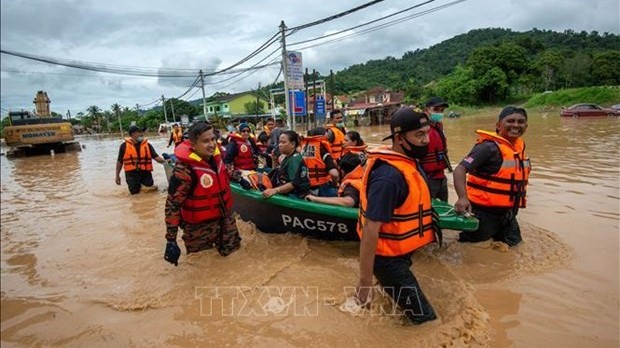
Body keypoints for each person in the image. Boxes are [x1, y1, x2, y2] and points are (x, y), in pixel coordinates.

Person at [356, 107, 439, 325]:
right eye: (419, 135)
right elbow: (370, 229)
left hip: (399, 254)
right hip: (387, 260)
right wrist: (365, 282)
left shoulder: (408, 163)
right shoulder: (389, 177)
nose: (426, 140)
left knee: (403, 309)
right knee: (427, 323)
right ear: (400, 138)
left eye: (427, 133)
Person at [164, 122, 242, 266]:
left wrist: (240, 178)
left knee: (235, 260)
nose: (212, 144)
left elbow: (223, 172)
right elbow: (172, 206)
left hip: (225, 221)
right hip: (198, 229)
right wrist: (171, 240)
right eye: (206, 141)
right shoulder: (184, 171)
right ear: (192, 145)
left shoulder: (216, 158)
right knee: (202, 266)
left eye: (213, 139)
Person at [453, 106, 531, 246]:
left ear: (526, 126)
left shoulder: (519, 147)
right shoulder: (488, 148)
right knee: (470, 249)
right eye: (510, 121)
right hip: (483, 213)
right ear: (498, 125)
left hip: (507, 213)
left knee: (516, 247)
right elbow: (460, 169)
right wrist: (463, 198)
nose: (516, 125)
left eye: (521, 122)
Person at [115, 125, 166, 194]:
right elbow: (119, 161)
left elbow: (156, 157)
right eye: (139, 132)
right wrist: (117, 175)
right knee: (135, 194)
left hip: (145, 172)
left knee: (150, 191)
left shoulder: (147, 145)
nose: (142, 134)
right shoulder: (124, 146)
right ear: (133, 134)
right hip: (131, 174)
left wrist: (165, 161)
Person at [262, 130, 310, 199]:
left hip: (296, 197)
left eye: (283, 142)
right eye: (279, 142)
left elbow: (293, 184)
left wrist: (275, 190)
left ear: (293, 144)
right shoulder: (287, 157)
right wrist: (274, 159)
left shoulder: (295, 159)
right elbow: (277, 173)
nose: (280, 145)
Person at [420, 97, 452, 202]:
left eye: (441, 110)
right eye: (436, 109)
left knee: (444, 207)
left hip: (441, 176)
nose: (439, 113)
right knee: (429, 208)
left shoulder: (439, 126)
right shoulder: (421, 128)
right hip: (428, 177)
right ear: (427, 110)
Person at [301, 127, 339, 197]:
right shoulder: (322, 149)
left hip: (304, 186)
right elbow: (334, 174)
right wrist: (335, 184)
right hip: (321, 187)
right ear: (323, 135)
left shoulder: (303, 147)